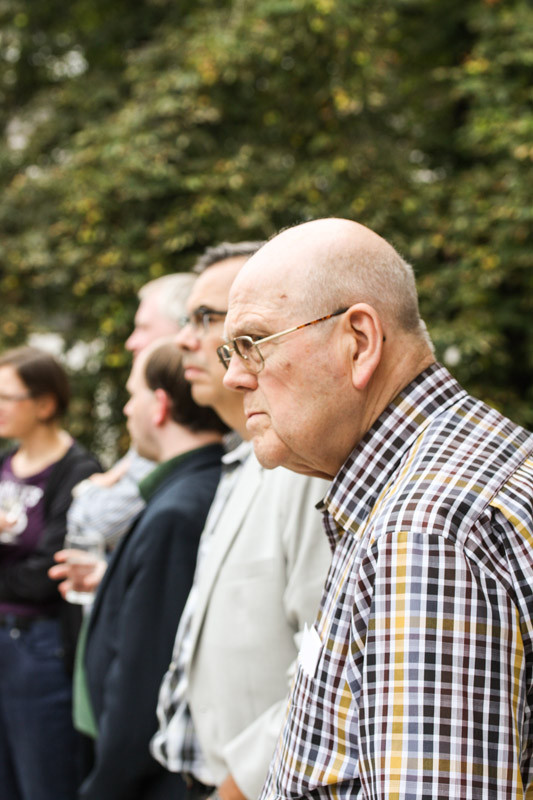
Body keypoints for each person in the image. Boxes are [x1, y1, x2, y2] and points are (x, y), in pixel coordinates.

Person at [219, 217, 533, 800]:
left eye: (252, 344)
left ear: (359, 342)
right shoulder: (444, 478)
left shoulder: (425, 530)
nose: (235, 377)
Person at [151, 243, 332, 800]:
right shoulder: (243, 461)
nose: (185, 340)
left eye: (208, 318)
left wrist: (236, 787)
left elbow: (330, 668)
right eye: (190, 320)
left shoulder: (306, 466)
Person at [72, 341, 227, 800]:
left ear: (159, 405)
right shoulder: (191, 489)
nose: (125, 408)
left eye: (131, 394)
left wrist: (106, 783)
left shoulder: (177, 511)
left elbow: (145, 674)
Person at [0, 346, 100, 800]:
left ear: (44, 404)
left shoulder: (76, 470)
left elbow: (49, 573)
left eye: (8, 397)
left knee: (44, 780)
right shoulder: (5, 463)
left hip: (39, 648)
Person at [67, 272, 196, 550]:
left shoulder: (178, 424)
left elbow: (101, 525)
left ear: (184, 327)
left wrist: (88, 488)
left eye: (143, 328)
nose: (131, 342)